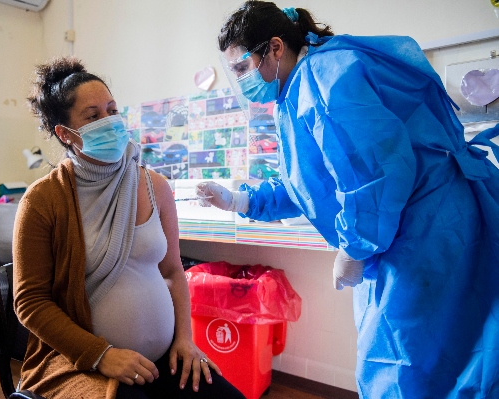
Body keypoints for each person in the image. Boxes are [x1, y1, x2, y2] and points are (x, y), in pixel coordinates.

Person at [196, 1, 499, 398]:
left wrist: (355, 247)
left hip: (425, 228)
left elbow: (376, 173)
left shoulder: (322, 78)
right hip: (415, 224)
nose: (239, 82)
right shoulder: (301, 87)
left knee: (411, 365)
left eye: (241, 68)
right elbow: (312, 184)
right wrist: (239, 200)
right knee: (444, 356)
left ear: (274, 47)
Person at [14, 56, 245, 399]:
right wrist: (100, 355)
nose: (109, 122)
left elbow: (173, 271)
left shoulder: (155, 186)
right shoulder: (43, 200)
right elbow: (30, 302)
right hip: (85, 362)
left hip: (166, 357)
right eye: (92, 117)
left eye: (111, 109)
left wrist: (184, 338)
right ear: (65, 134)